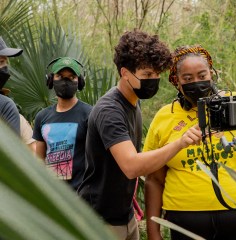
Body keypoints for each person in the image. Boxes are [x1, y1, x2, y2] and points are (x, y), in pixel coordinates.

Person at [144, 45, 236, 240]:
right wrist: (153, 231)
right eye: (188, 79)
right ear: (176, 81)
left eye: (202, 75)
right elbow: (154, 179)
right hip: (185, 220)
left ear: (212, 73)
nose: (196, 83)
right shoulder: (165, 117)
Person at [77, 30, 202, 240]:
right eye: (146, 75)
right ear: (125, 73)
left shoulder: (134, 102)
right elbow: (132, 166)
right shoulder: (110, 110)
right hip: (99, 221)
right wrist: (180, 143)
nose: (153, 80)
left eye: (156, 74)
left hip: (125, 217)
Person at [33, 57, 92, 191]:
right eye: (60, 76)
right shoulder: (42, 117)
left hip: (81, 197)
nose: (65, 82)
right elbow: (39, 161)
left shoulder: (90, 115)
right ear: (51, 80)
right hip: (53, 195)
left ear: (80, 82)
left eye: (71, 77)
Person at [0, 36, 22, 134]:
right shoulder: (5, 106)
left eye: (5, 62)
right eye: (1, 62)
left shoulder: (5, 105)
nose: (5, 67)